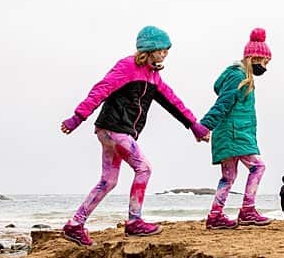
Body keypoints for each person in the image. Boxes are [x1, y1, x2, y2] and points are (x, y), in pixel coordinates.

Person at [58, 25, 210, 246]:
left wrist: (194, 125)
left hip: (116, 131)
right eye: (161, 49)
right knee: (144, 168)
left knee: (108, 181)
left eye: (167, 49)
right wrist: (77, 117)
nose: (165, 53)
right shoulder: (127, 67)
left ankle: (74, 225)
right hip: (114, 128)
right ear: (148, 50)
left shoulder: (153, 76)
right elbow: (101, 90)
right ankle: (134, 221)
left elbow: (172, 101)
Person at [199, 28, 273, 229]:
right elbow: (223, 103)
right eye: (264, 62)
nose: (265, 67)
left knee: (228, 177)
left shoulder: (242, 77)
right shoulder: (238, 76)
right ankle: (248, 210)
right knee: (258, 167)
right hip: (234, 133)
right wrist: (204, 126)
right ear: (254, 58)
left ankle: (215, 216)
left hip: (231, 133)